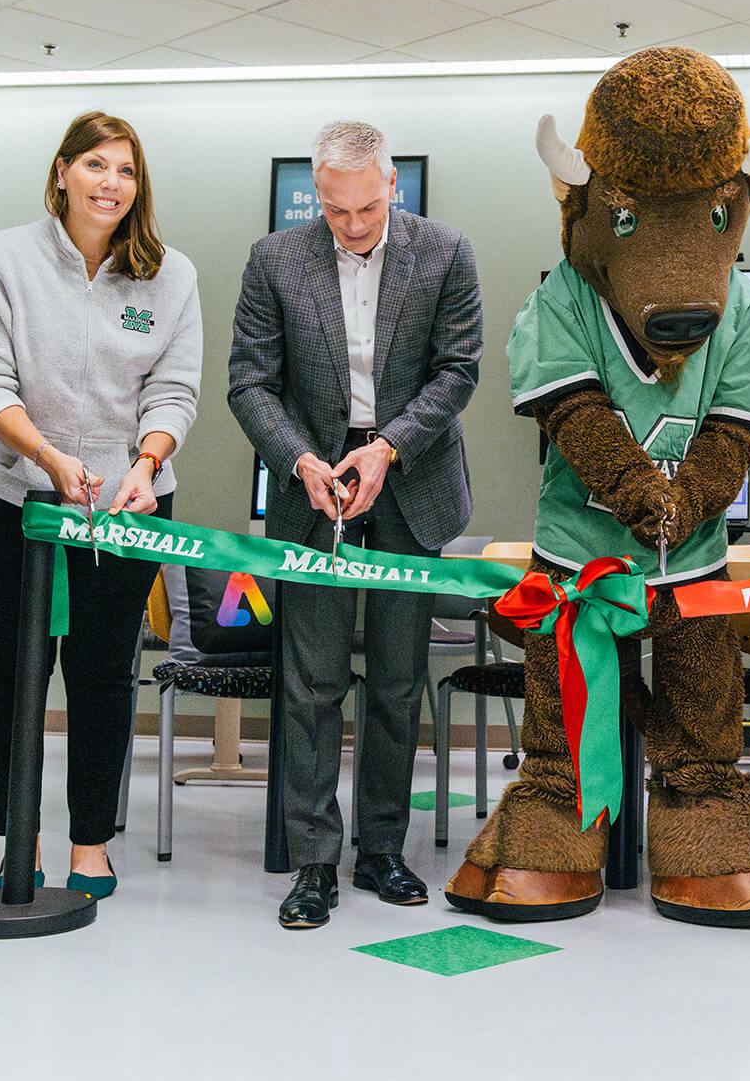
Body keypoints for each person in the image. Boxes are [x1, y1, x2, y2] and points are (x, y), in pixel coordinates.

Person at [229, 119, 482, 930]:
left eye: (367, 209)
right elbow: (250, 383)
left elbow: (458, 371)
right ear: (319, 195)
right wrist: (301, 460)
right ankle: (312, 862)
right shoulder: (275, 261)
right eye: (336, 213)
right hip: (313, 483)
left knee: (401, 676)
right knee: (310, 681)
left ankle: (380, 847)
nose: (353, 227)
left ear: (392, 186)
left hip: (410, 479)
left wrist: (389, 450)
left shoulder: (445, 252)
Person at [0, 109, 202, 901]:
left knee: (101, 672)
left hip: (126, 506)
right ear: (61, 172)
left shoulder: (170, 275)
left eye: (126, 170)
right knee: (16, 670)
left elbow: (173, 390)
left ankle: (90, 841)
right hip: (17, 500)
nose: (112, 183)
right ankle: (16, 837)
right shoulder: (4, 258)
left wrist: (146, 462)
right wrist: (48, 457)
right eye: (96, 165)